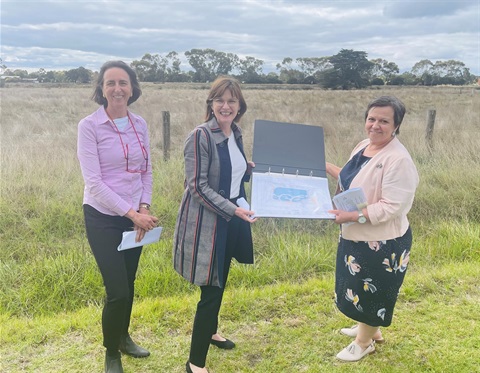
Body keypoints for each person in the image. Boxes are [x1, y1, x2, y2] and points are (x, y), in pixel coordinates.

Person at [77, 60, 159, 373]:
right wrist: (130, 213)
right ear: (101, 89)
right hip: (102, 217)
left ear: (132, 88)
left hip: (134, 215)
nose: (117, 89)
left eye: (123, 82)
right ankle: (111, 352)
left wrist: (144, 207)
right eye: (110, 83)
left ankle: (124, 337)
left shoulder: (140, 124)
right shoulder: (89, 126)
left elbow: (146, 171)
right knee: (117, 290)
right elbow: (94, 183)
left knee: (129, 282)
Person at [173, 76, 258, 373]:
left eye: (232, 101)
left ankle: (211, 332)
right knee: (211, 289)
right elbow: (197, 186)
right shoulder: (200, 135)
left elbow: (229, 173)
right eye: (220, 100)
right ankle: (195, 363)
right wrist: (233, 210)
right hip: (209, 222)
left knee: (221, 279)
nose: (226, 106)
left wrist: (246, 169)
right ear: (210, 104)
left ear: (239, 106)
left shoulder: (235, 133)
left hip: (233, 218)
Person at [326, 96, 419, 362]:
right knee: (357, 284)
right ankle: (371, 328)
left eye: (383, 121)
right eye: (371, 118)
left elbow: (391, 207)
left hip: (382, 241)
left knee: (373, 290)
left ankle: (364, 342)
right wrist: (322, 167)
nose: (375, 125)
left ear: (396, 125)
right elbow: (351, 175)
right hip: (356, 236)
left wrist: (352, 216)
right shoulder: (364, 145)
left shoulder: (398, 160)